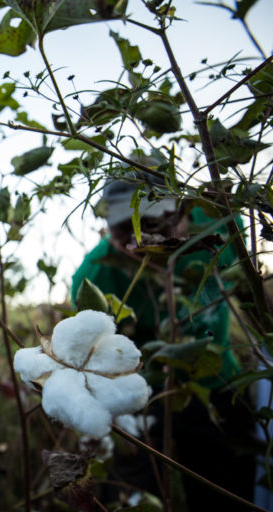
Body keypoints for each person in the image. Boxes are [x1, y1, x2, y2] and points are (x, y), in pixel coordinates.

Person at [71, 172, 255, 510]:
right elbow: (100, 371)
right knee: (131, 494)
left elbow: (251, 295)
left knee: (227, 488)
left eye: (153, 223)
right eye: (125, 230)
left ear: (183, 211)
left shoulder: (221, 226)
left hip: (218, 386)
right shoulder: (95, 278)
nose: (138, 242)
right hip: (142, 399)